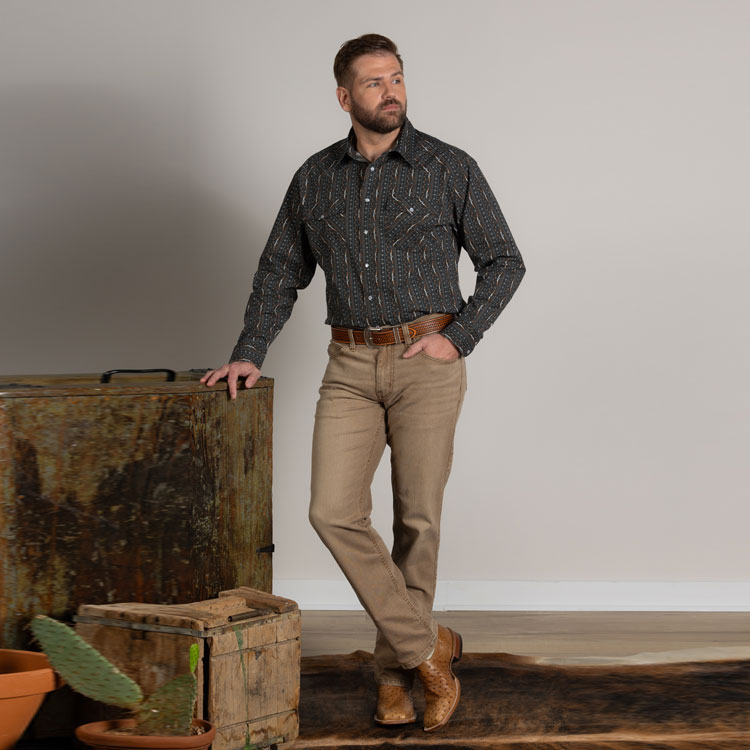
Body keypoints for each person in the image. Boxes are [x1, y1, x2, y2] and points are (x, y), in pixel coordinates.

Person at [201, 32, 525, 732]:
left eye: (398, 78)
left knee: (417, 519)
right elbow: (279, 271)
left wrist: (456, 338)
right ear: (345, 97)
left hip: (426, 362)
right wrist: (249, 350)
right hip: (347, 363)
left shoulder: (449, 167)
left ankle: (391, 678)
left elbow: (504, 261)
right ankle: (425, 648)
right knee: (332, 510)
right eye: (375, 83)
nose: (392, 92)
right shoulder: (314, 177)